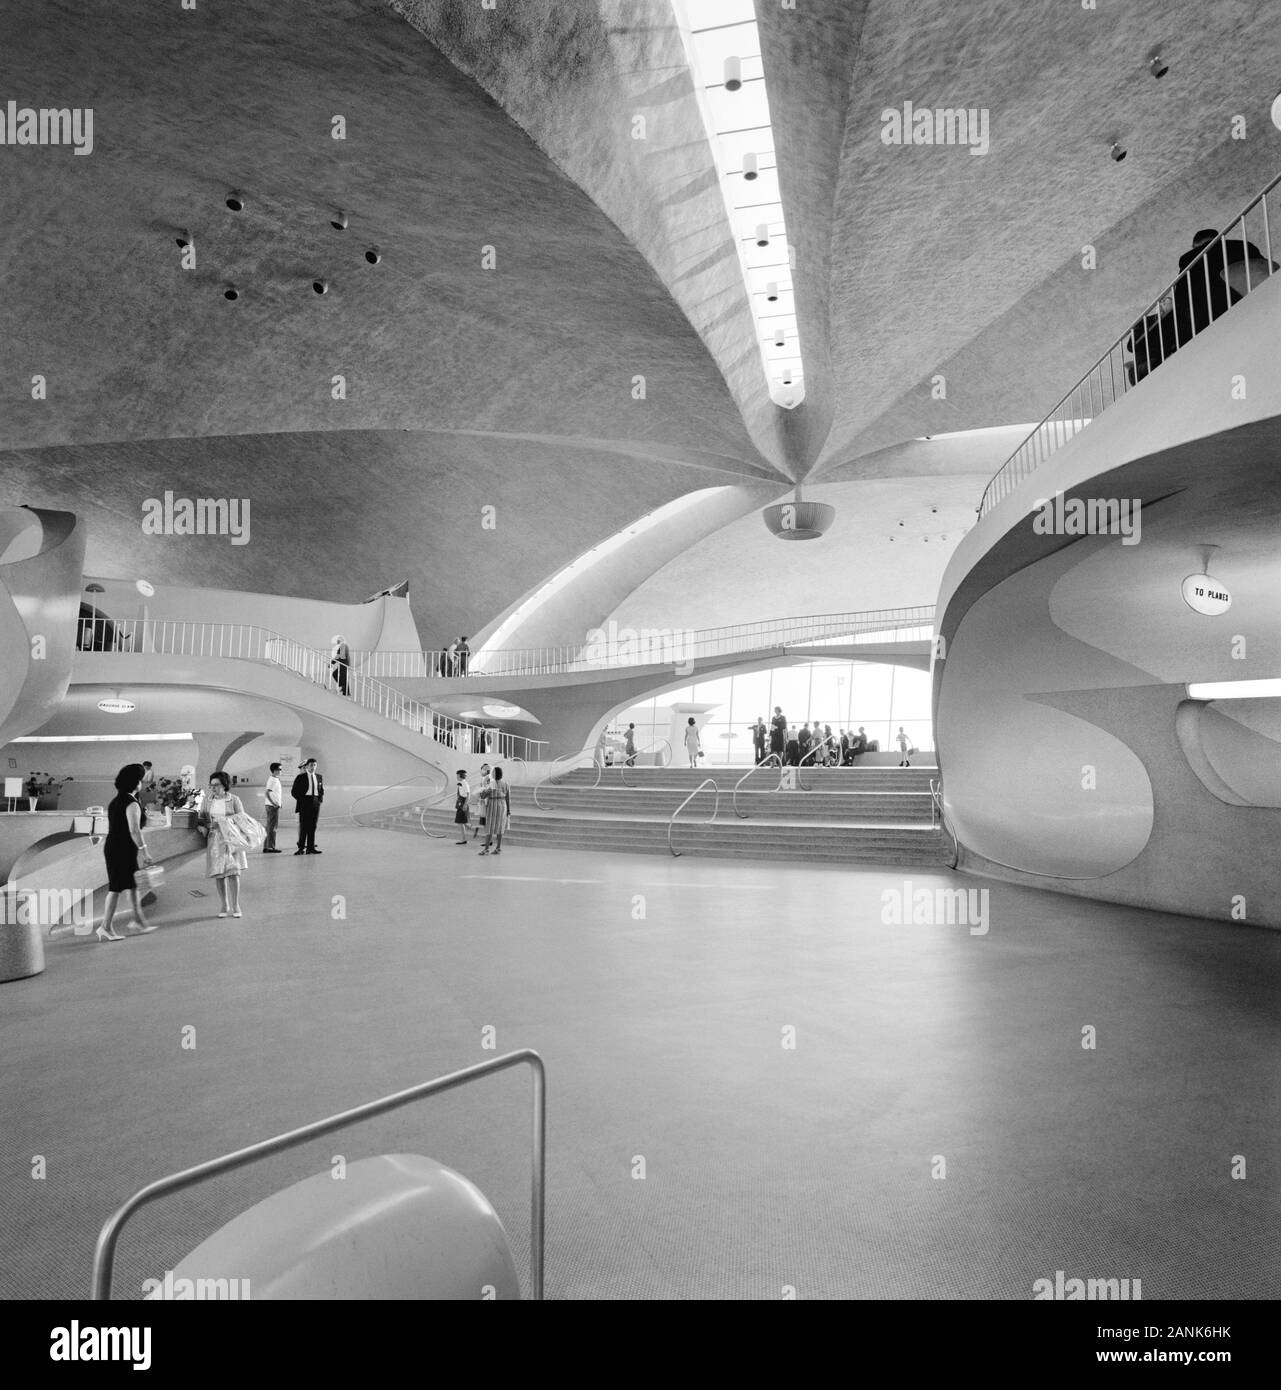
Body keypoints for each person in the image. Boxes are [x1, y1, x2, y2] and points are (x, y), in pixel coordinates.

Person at [97, 763, 157, 941]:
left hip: (115, 847)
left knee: (131, 886)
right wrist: (144, 852)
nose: (142, 783)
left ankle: (139, 921)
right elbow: (134, 830)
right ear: (136, 783)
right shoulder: (131, 803)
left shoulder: (116, 800)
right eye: (140, 780)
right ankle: (105, 927)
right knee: (116, 889)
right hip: (122, 850)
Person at [199, 770, 249, 917]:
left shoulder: (234, 800)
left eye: (216, 785)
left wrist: (223, 822)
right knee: (219, 873)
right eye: (211, 785)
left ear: (224, 785)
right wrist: (203, 826)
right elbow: (201, 818)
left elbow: (242, 818)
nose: (212, 788)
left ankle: (236, 905)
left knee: (233, 873)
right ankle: (224, 905)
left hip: (232, 839)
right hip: (215, 839)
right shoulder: (207, 800)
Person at [290, 757, 324, 854]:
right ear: (306, 766)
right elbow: (294, 792)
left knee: (313, 826)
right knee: (304, 826)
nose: (313, 767)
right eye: (311, 765)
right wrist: (303, 800)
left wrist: (319, 800)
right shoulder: (300, 777)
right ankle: (301, 848)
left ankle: (311, 848)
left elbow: (321, 790)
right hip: (305, 802)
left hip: (315, 803)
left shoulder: (319, 777)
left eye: (314, 765)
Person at [478, 765, 510, 855]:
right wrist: (508, 810)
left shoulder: (491, 784)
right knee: (500, 827)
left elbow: (482, 796)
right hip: (502, 805)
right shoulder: (506, 784)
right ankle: (498, 848)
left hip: (492, 805)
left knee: (490, 827)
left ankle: (486, 849)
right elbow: (508, 798)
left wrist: (483, 789)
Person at [263, 761, 283, 853]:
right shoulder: (273, 780)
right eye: (279, 769)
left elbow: (275, 793)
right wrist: (274, 803)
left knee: (270, 827)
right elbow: (267, 793)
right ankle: (270, 847)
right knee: (272, 827)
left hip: (272, 805)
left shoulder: (275, 779)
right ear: (274, 770)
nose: (281, 771)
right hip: (272, 806)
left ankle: (267, 846)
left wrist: (279, 802)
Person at [473, 763, 491, 839]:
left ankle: (488, 840)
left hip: (486, 802)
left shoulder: (488, 778)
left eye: (483, 769)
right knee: (483, 821)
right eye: (481, 769)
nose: (481, 771)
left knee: (486, 821)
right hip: (483, 802)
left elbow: (488, 790)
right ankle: (487, 839)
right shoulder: (484, 778)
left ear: (487, 770)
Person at [453, 768, 471, 844]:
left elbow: (468, 794)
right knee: (461, 821)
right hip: (461, 802)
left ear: (460, 776)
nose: (456, 776)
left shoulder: (464, 783)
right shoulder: (461, 783)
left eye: (457, 775)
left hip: (463, 802)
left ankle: (464, 839)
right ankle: (471, 830)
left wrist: (465, 804)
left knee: (461, 821)